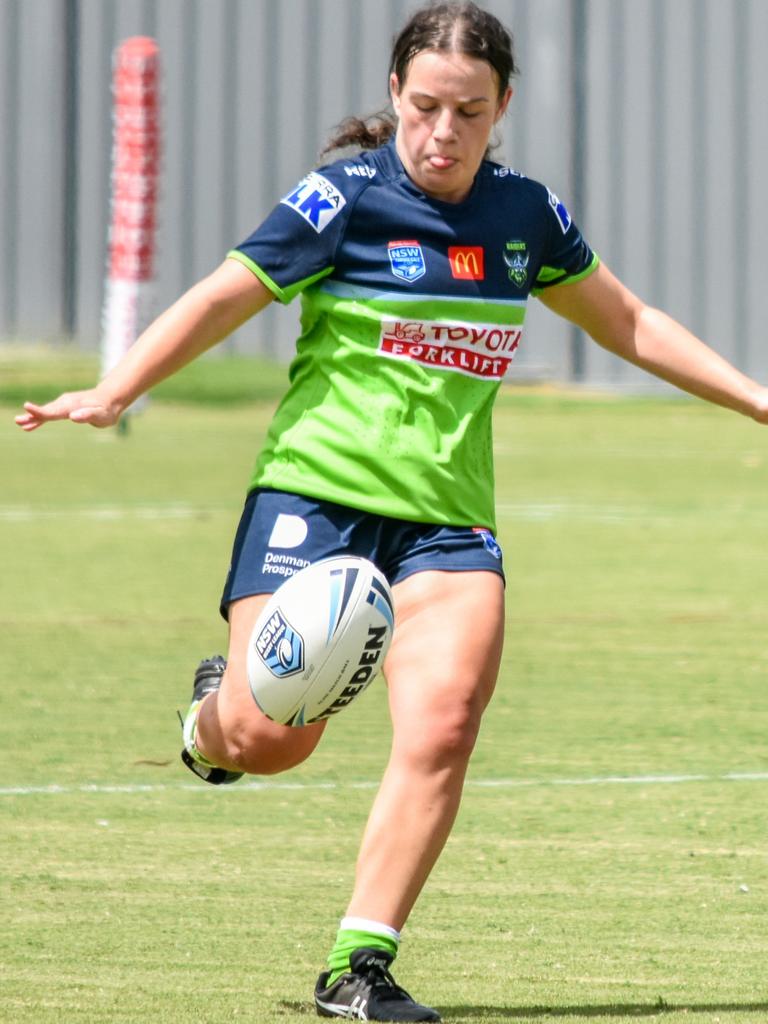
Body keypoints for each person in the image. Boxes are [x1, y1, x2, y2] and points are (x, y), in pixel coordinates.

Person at [16, 2, 768, 1020]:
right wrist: (115, 389)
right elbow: (223, 295)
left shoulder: (526, 218)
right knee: (272, 738)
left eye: (468, 110)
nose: (442, 132)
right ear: (394, 96)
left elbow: (630, 321)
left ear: (503, 106)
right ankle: (209, 720)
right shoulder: (343, 200)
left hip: (447, 524)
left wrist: (757, 399)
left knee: (446, 721)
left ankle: (356, 967)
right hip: (317, 499)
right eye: (424, 107)